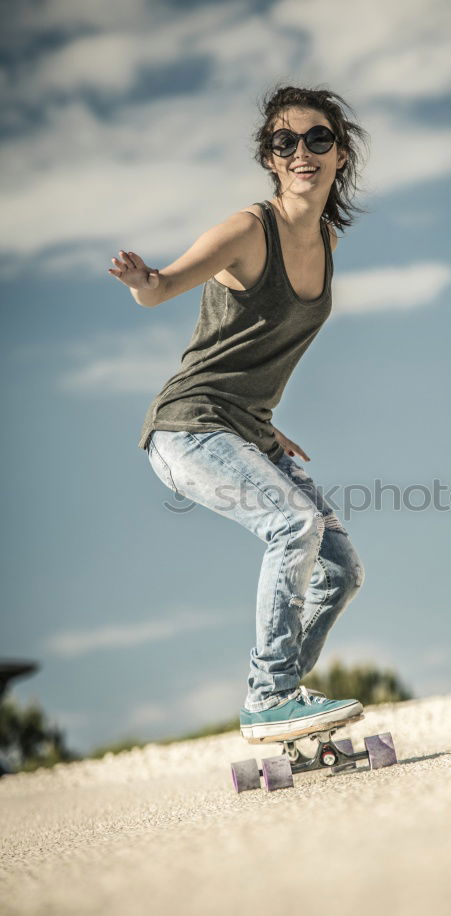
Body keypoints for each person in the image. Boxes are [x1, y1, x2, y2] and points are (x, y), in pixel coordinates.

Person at [108, 84, 371, 744]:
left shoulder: (328, 244)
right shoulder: (250, 230)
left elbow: (257, 350)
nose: (302, 151)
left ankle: (284, 708)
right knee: (293, 523)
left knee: (341, 570)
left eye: (318, 138)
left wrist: (259, 418)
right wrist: (147, 283)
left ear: (340, 154)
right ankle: (271, 693)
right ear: (272, 158)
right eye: (286, 142)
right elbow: (165, 285)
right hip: (186, 427)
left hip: (242, 427)